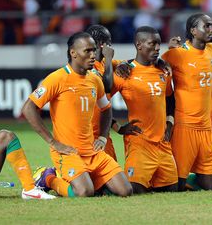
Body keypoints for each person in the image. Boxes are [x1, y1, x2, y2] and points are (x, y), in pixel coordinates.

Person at [22, 32, 132, 197]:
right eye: (87, 51)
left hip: (92, 151)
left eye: (94, 50)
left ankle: (87, 178)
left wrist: (102, 136)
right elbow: (28, 108)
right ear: (73, 53)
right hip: (68, 152)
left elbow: (106, 109)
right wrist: (53, 142)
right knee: (84, 192)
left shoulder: (95, 80)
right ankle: (48, 178)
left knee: (125, 190)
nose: (93, 55)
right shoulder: (57, 78)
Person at [111, 26, 178, 194]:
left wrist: (170, 123)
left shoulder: (164, 70)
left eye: (158, 44)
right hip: (139, 144)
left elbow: (170, 98)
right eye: (152, 44)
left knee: (173, 190)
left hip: (163, 144)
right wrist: (118, 128)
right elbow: (99, 103)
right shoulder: (124, 73)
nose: (157, 48)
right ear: (139, 45)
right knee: (134, 190)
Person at [161, 13, 212, 190]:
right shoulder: (177, 54)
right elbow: (151, 65)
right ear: (193, 31)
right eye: (207, 26)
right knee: (176, 187)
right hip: (185, 127)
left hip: (206, 128)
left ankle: (190, 182)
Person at [85, 24, 119, 160]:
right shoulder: (87, 66)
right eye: (109, 41)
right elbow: (107, 87)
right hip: (88, 137)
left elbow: (131, 63)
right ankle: (47, 177)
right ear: (102, 44)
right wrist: (110, 59)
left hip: (103, 135)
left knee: (114, 178)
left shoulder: (104, 64)